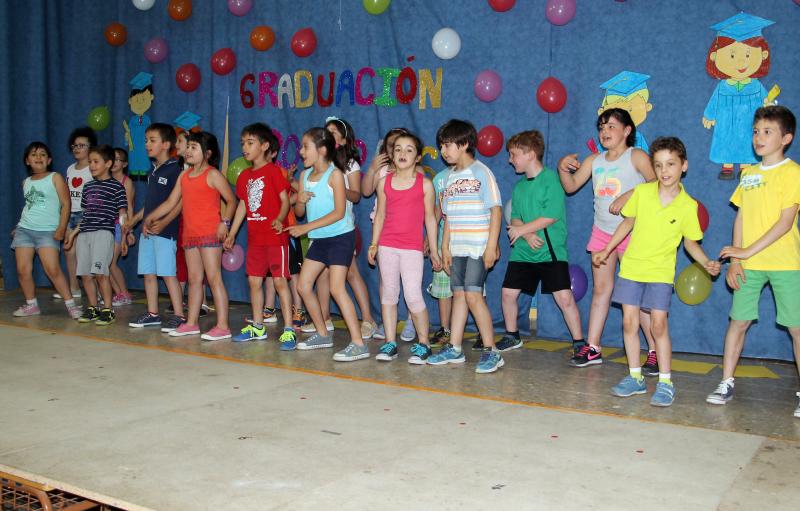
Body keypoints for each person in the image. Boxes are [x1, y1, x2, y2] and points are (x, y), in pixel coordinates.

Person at [594, 137, 720, 407]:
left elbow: (691, 243)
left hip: (660, 273)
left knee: (658, 325)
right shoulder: (642, 193)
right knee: (629, 323)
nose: (664, 171)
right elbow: (627, 223)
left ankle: (665, 382)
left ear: (684, 166)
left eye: (671, 164)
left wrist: (706, 262)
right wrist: (607, 249)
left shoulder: (688, 206)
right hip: (632, 268)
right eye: (659, 165)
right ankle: (635, 377)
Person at [706, 105, 800, 418]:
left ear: (785, 138)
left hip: (786, 263)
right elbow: (741, 218)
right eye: (756, 131)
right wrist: (736, 259)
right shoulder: (748, 175)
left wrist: (746, 251)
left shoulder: (793, 173)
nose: (759, 137)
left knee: (797, 328)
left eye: (767, 132)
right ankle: (726, 382)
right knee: (738, 321)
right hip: (749, 264)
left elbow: (785, 222)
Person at [558, 108, 658, 370]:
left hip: (631, 232)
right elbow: (570, 186)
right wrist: (562, 168)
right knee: (601, 290)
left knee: (636, 295)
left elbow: (656, 183)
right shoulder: (595, 160)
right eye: (602, 127)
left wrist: (629, 195)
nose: (605, 131)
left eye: (611, 126)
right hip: (602, 233)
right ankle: (593, 347)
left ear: (627, 130)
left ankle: (654, 350)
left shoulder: (636, 156)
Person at [427, 119, 504, 374]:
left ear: (464, 144)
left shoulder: (481, 172)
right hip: (458, 248)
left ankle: (492, 350)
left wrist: (491, 246)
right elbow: (447, 216)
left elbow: (495, 210)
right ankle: (455, 347)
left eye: (448, 145)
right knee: (458, 294)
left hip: (478, 247)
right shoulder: (449, 178)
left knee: (473, 295)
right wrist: (445, 247)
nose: (443, 151)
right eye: (441, 146)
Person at [285, 127, 367, 361]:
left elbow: (339, 212)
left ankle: (358, 343)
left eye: (305, 147)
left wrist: (306, 228)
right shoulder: (304, 176)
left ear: (321, 150)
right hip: (319, 239)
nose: (301, 152)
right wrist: (299, 202)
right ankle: (322, 334)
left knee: (336, 288)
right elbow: (300, 213)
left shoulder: (335, 175)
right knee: (303, 286)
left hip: (341, 237)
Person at [146, 131, 237, 341]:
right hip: (190, 235)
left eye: (194, 147)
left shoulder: (212, 175)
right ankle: (191, 323)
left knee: (214, 278)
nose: (188, 151)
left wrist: (225, 223)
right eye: (188, 147)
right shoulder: (184, 176)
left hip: (209, 234)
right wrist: (151, 217)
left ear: (207, 153)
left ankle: (223, 326)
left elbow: (232, 200)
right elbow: (171, 202)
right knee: (194, 280)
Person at [500, 130, 584, 353]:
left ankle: (579, 342)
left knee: (564, 298)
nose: (510, 160)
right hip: (523, 250)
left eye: (513, 154)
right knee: (508, 293)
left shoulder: (551, 180)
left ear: (530, 154)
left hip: (549, 251)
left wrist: (521, 230)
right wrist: (526, 235)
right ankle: (512, 335)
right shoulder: (519, 187)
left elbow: (551, 216)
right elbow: (515, 216)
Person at [368, 132, 440, 364]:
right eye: (398, 149)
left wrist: (434, 250)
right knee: (389, 294)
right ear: (391, 154)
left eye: (409, 150)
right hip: (387, 246)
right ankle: (390, 342)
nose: (402, 153)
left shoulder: (425, 184)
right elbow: (380, 215)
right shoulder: (384, 183)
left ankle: (424, 343)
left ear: (418, 157)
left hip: (411, 249)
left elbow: (430, 218)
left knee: (412, 295)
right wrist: (374, 243)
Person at [226, 123, 296, 348]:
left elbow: (285, 200)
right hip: (255, 240)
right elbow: (243, 205)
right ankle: (257, 326)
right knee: (254, 281)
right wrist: (232, 232)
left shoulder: (274, 171)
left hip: (275, 238)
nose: (244, 148)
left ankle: (289, 330)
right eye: (243, 143)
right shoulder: (245, 176)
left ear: (265, 146)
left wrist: (280, 219)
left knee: (280, 282)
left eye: (250, 143)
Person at [126, 123, 186, 332]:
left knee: (168, 273)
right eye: (146, 140)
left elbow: (178, 202)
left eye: (152, 140)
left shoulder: (175, 169)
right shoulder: (153, 170)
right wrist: (135, 220)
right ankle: (152, 314)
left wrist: (164, 222)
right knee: (148, 272)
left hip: (164, 232)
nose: (147, 144)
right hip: (147, 231)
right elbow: (150, 204)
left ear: (166, 144)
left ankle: (179, 315)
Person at [361, 127, 419, 342]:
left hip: (407, 232)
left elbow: (427, 208)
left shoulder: (416, 173)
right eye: (393, 147)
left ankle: (412, 321)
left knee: (411, 284)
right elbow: (366, 191)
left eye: (405, 147)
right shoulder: (383, 171)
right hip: (383, 230)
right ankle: (388, 326)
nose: (399, 152)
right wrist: (372, 168)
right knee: (387, 282)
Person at [11, 142, 81, 319]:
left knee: (52, 269)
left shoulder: (55, 177)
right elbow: (30, 207)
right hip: (25, 230)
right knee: (23, 269)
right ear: (27, 161)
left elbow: (66, 204)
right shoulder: (26, 182)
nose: (38, 157)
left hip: (48, 232)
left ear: (49, 160)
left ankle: (71, 305)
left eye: (42, 154)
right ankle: (31, 305)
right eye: (34, 155)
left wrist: (62, 228)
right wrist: (18, 226)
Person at [64, 145, 128, 326]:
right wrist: (73, 234)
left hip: (103, 234)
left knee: (101, 273)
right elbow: (85, 215)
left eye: (96, 162)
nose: (91, 165)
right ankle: (93, 307)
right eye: (90, 162)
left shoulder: (117, 187)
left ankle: (108, 309)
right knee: (85, 275)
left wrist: (124, 237)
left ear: (108, 163)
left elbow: (123, 215)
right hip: (85, 234)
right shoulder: (88, 186)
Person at [58, 126, 97, 299]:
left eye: (81, 145)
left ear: (91, 148)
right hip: (70, 214)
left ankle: (96, 291)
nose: (76, 149)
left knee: (86, 254)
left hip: (85, 214)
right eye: (74, 145)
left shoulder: (93, 169)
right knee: (69, 252)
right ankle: (74, 288)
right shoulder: (70, 169)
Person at [109, 148, 135, 307]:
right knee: (104, 264)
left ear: (124, 164)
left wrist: (129, 230)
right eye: (112, 158)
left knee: (110, 262)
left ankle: (124, 293)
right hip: (106, 226)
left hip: (119, 226)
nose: (114, 162)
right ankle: (118, 293)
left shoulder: (127, 182)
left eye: (118, 159)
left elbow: (128, 208)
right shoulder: (105, 180)